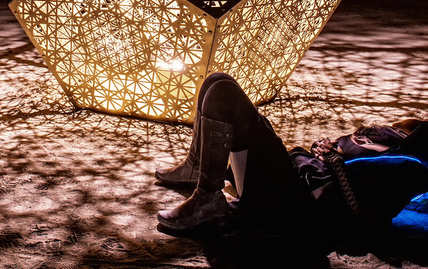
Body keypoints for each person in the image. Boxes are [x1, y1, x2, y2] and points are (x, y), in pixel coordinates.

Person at [156, 72, 427, 232]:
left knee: (224, 93)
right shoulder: (383, 138)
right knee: (216, 80)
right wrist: (327, 150)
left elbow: (360, 196)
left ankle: (207, 198)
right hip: (286, 179)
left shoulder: (408, 163)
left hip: (290, 199)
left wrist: (330, 159)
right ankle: (196, 166)